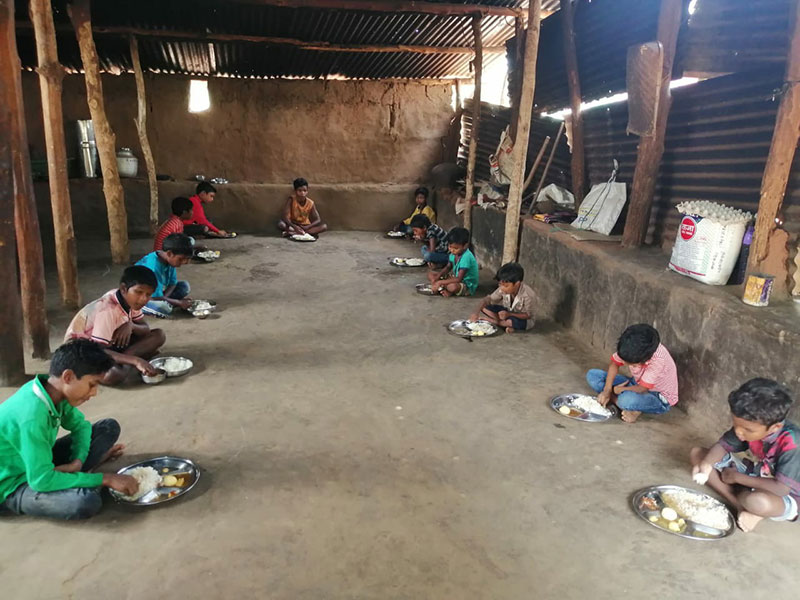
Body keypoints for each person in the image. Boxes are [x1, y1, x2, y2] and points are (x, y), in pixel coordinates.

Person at [0, 340, 139, 520]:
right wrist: (105, 478)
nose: (94, 392)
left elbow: (81, 426)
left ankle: (73, 475)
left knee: (108, 427)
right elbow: (41, 480)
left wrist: (77, 461)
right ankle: (78, 479)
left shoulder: (52, 392)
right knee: (85, 502)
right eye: (92, 384)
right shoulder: (32, 417)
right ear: (68, 377)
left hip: (35, 461)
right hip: (11, 484)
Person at [690, 378, 800, 532]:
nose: (738, 432)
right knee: (698, 455)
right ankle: (739, 506)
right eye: (736, 425)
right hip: (757, 474)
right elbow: (722, 446)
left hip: (787, 495)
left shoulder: (793, 443)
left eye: (748, 430)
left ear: (775, 427)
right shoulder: (749, 424)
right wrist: (706, 465)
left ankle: (746, 498)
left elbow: (781, 489)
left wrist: (737, 478)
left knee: (758, 502)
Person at [65, 266, 165, 386]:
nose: (144, 299)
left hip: (108, 342)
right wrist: (136, 361)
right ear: (123, 289)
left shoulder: (130, 301)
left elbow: (145, 330)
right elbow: (99, 351)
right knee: (113, 375)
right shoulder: (108, 310)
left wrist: (131, 325)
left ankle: (125, 360)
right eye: (138, 292)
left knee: (159, 335)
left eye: (148, 294)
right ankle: (130, 361)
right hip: (82, 351)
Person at [586, 323, 678, 423]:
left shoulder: (658, 361)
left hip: (656, 396)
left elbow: (643, 389)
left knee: (626, 401)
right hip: (635, 383)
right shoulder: (632, 347)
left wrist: (619, 389)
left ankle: (629, 406)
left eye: (631, 364)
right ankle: (617, 400)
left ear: (642, 360)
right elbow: (614, 364)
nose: (623, 363)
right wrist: (607, 390)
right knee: (593, 375)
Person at [135, 233, 194, 318]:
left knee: (185, 286)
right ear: (169, 253)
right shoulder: (153, 267)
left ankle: (166, 301)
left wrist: (164, 298)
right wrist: (178, 302)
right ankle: (140, 307)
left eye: (187, 259)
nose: (185, 262)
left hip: (155, 293)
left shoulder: (168, 260)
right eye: (181, 259)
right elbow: (155, 297)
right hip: (141, 296)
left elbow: (173, 283)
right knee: (163, 308)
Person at [469, 262, 535, 333]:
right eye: (500, 284)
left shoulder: (528, 295)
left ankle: (495, 322)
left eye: (506, 286)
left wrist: (509, 314)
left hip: (521, 318)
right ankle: (505, 324)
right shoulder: (502, 289)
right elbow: (488, 299)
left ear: (517, 284)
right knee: (484, 306)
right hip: (506, 313)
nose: (502, 288)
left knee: (512, 321)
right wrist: (475, 313)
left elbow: (528, 315)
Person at [427, 227, 479, 297]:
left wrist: (439, 282)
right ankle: (443, 288)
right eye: (450, 247)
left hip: (466, 284)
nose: (452, 250)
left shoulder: (466, 257)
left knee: (452, 287)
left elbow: (459, 279)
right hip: (455, 277)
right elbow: (448, 267)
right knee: (431, 274)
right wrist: (438, 276)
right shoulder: (453, 254)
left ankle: (445, 288)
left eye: (456, 248)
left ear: (465, 246)